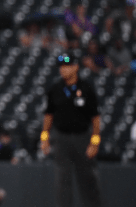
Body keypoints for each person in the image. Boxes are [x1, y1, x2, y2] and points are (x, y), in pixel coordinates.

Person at [40, 53, 101, 207]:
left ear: (76, 67)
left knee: (88, 179)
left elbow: (95, 118)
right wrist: (44, 137)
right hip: (61, 138)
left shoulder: (86, 88)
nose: (63, 70)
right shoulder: (55, 89)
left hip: (82, 137)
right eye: (61, 66)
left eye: (67, 66)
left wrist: (95, 142)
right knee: (62, 180)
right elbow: (48, 115)